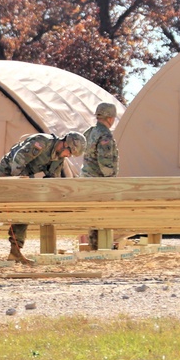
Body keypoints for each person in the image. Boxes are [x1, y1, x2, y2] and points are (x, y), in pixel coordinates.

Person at [0, 131, 86, 265]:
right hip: (8, 172)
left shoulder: (58, 158)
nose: (68, 156)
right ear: (64, 144)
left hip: (25, 178)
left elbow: (52, 179)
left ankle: (16, 251)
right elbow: (18, 160)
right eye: (70, 152)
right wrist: (18, 185)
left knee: (24, 211)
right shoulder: (42, 142)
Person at [83, 102, 120, 250]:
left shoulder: (90, 131)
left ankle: (95, 246)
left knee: (93, 215)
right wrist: (111, 181)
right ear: (110, 118)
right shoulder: (105, 134)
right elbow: (105, 162)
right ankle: (102, 246)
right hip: (99, 181)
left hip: (88, 179)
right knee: (103, 214)